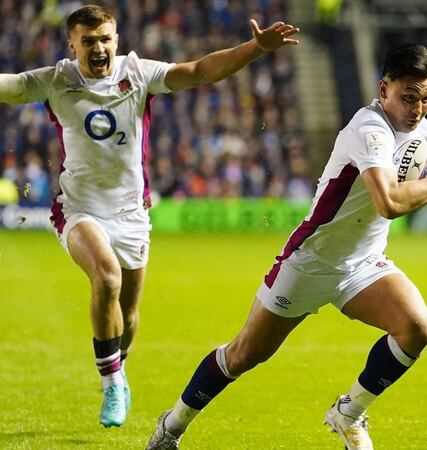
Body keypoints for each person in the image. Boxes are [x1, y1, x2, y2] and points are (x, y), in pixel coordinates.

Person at [146, 43, 427, 450]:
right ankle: (172, 425)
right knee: (244, 354)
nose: (418, 108)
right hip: (311, 262)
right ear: (384, 87)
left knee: (416, 329)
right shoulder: (368, 129)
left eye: (426, 98)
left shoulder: (424, 131)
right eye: (408, 97)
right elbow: (389, 203)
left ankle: (348, 413)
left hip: (363, 265)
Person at [0, 4, 299, 428]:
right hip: (79, 207)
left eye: (105, 39)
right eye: (88, 42)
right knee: (105, 276)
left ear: (117, 40)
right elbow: (10, 86)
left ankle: (117, 366)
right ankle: (113, 383)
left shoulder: (138, 73)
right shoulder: (57, 79)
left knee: (129, 312)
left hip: (130, 212)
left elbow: (199, 71)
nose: (99, 48)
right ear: (72, 45)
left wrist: (254, 47)